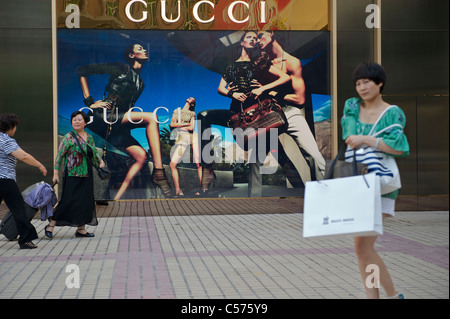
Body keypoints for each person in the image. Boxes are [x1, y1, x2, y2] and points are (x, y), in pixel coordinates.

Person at [341, 62, 409, 299]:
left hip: (381, 185)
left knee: (362, 247)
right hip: (358, 183)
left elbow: (399, 148)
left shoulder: (393, 113)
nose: (362, 87)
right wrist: (359, 138)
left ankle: (384, 296)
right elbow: (348, 135)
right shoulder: (351, 106)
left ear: (379, 83)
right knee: (363, 249)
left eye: (367, 82)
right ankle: (390, 296)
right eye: (358, 83)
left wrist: (367, 140)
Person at [197, 31, 290, 196]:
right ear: (241, 42)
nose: (253, 40)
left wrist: (263, 87)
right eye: (249, 37)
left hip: (257, 113)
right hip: (237, 114)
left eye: (255, 38)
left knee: (276, 153)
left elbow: (284, 78)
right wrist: (231, 94)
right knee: (203, 116)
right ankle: (208, 168)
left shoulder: (260, 62)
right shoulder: (231, 66)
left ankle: (302, 190)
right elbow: (220, 88)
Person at [78, 43, 172, 199]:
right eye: (140, 48)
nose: (145, 50)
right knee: (152, 117)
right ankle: (159, 173)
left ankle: (117, 199)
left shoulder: (141, 84)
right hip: (105, 116)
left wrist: (131, 121)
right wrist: (89, 102)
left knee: (141, 157)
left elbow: (128, 109)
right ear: (131, 55)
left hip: (118, 123)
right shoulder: (121, 67)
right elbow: (82, 71)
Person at [256, 31, 326, 184]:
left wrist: (271, 92)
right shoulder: (262, 62)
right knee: (255, 161)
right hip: (268, 115)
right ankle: (250, 201)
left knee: (315, 157)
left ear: (272, 34)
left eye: (261, 35)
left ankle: (324, 194)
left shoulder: (292, 62)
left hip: (289, 112)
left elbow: (300, 99)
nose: (258, 40)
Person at [44, 111, 105, 239]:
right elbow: (59, 156)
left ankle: (81, 229)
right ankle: (51, 225)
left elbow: (93, 153)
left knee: (85, 201)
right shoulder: (68, 137)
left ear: (85, 122)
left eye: (79, 119)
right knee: (67, 201)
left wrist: (100, 161)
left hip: (86, 174)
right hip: (72, 173)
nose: (76, 122)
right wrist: (55, 173)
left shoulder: (89, 137)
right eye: (74, 120)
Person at [0, 113, 47, 249]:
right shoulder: (6, 140)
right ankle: (25, 239)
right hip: (5, 180)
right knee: (18, 209)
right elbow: (23, 156)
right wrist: (39, 165)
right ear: (11, 126)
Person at [169, 97, 202, 197]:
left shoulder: (192, 114)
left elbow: (191, 128)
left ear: (193, 103)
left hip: (193, 137)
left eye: (193, 99)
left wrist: (178, 125)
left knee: (198, 163)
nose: (191, 98)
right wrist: (186, 123)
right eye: (190, 97)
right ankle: (178, 190)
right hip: (182, 138)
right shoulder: (177, 111)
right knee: (172, 164)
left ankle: (203, 189)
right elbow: (171, 124)